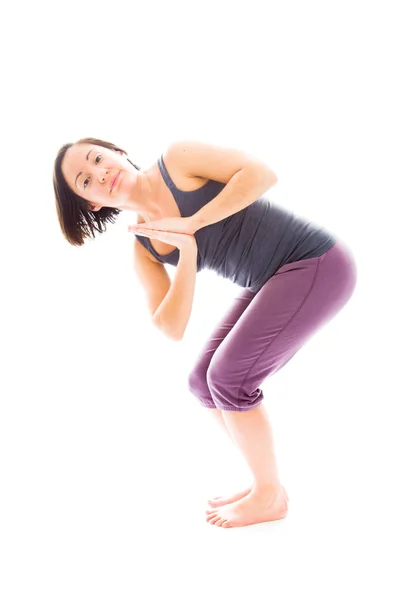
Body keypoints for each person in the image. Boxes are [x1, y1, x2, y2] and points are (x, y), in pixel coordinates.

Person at [54, 137, 357, 528]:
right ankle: (266, 484)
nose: (100, 173)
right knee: (202, 381)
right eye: (86, 180)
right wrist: (187, 253)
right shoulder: (145, 247)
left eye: (98, 159)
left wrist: (193, 223)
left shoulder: (177, 160)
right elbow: (170, 326)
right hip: (271, 280)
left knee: (229, 378)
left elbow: (262, 174)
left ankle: (268, 495)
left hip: (316, 261)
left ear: (118, 153)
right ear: (91, 203)